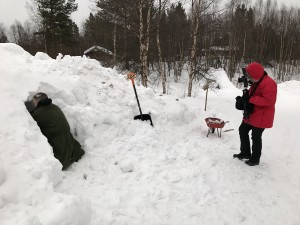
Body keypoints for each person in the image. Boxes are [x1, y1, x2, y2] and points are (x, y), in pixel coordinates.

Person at [26, 92, 85, 170]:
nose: (34, 104)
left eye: (34, 102)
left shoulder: (38, 113)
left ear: (39, 101)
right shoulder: (55, 107)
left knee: (60, 159)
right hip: (69, 141)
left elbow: (28, 124)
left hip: (57, 143)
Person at [233, 62, 277, 166]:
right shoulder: (257, 81)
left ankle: (255, 159)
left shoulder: (269, 83)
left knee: (256, 136)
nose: (249, 78)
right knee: (242, 130)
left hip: (262, 115)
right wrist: (244, 98)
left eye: (250, 76)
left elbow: (269, 101)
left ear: (255, 75)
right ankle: (245, 153)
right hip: (252, 113)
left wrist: (251, 99)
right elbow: (253, 93)